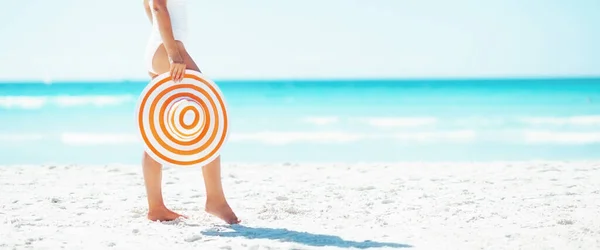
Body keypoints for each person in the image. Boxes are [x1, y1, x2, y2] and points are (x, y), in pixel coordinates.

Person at [141, 0, 240, 224]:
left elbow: (148, 7)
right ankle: (215, 199)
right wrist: (173, 53)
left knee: (157, 124)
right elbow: (156, 6)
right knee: (208, 110)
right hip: (167, 49)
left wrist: (165, 44)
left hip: (160, 48)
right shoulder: (172, 50)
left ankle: (156, 206)